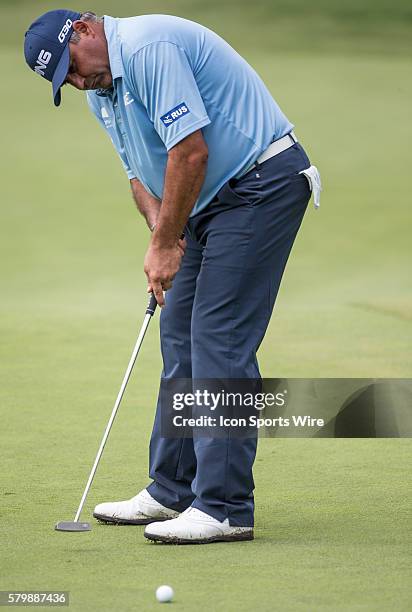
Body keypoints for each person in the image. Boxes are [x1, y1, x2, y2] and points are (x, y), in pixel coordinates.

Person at [24, 9, 321, 544]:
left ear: (86, 31)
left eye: (70, 67)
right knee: (179, 331)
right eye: (63, 82)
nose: (76, 82)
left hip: (261, 184)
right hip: (206, 203)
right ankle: (172, 491)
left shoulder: (147, 47)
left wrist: (164, 243)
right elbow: (139, 173)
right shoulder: (101, 90)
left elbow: (189, 150)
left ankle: (226, 507)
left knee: (218, 337)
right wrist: (162, 228)